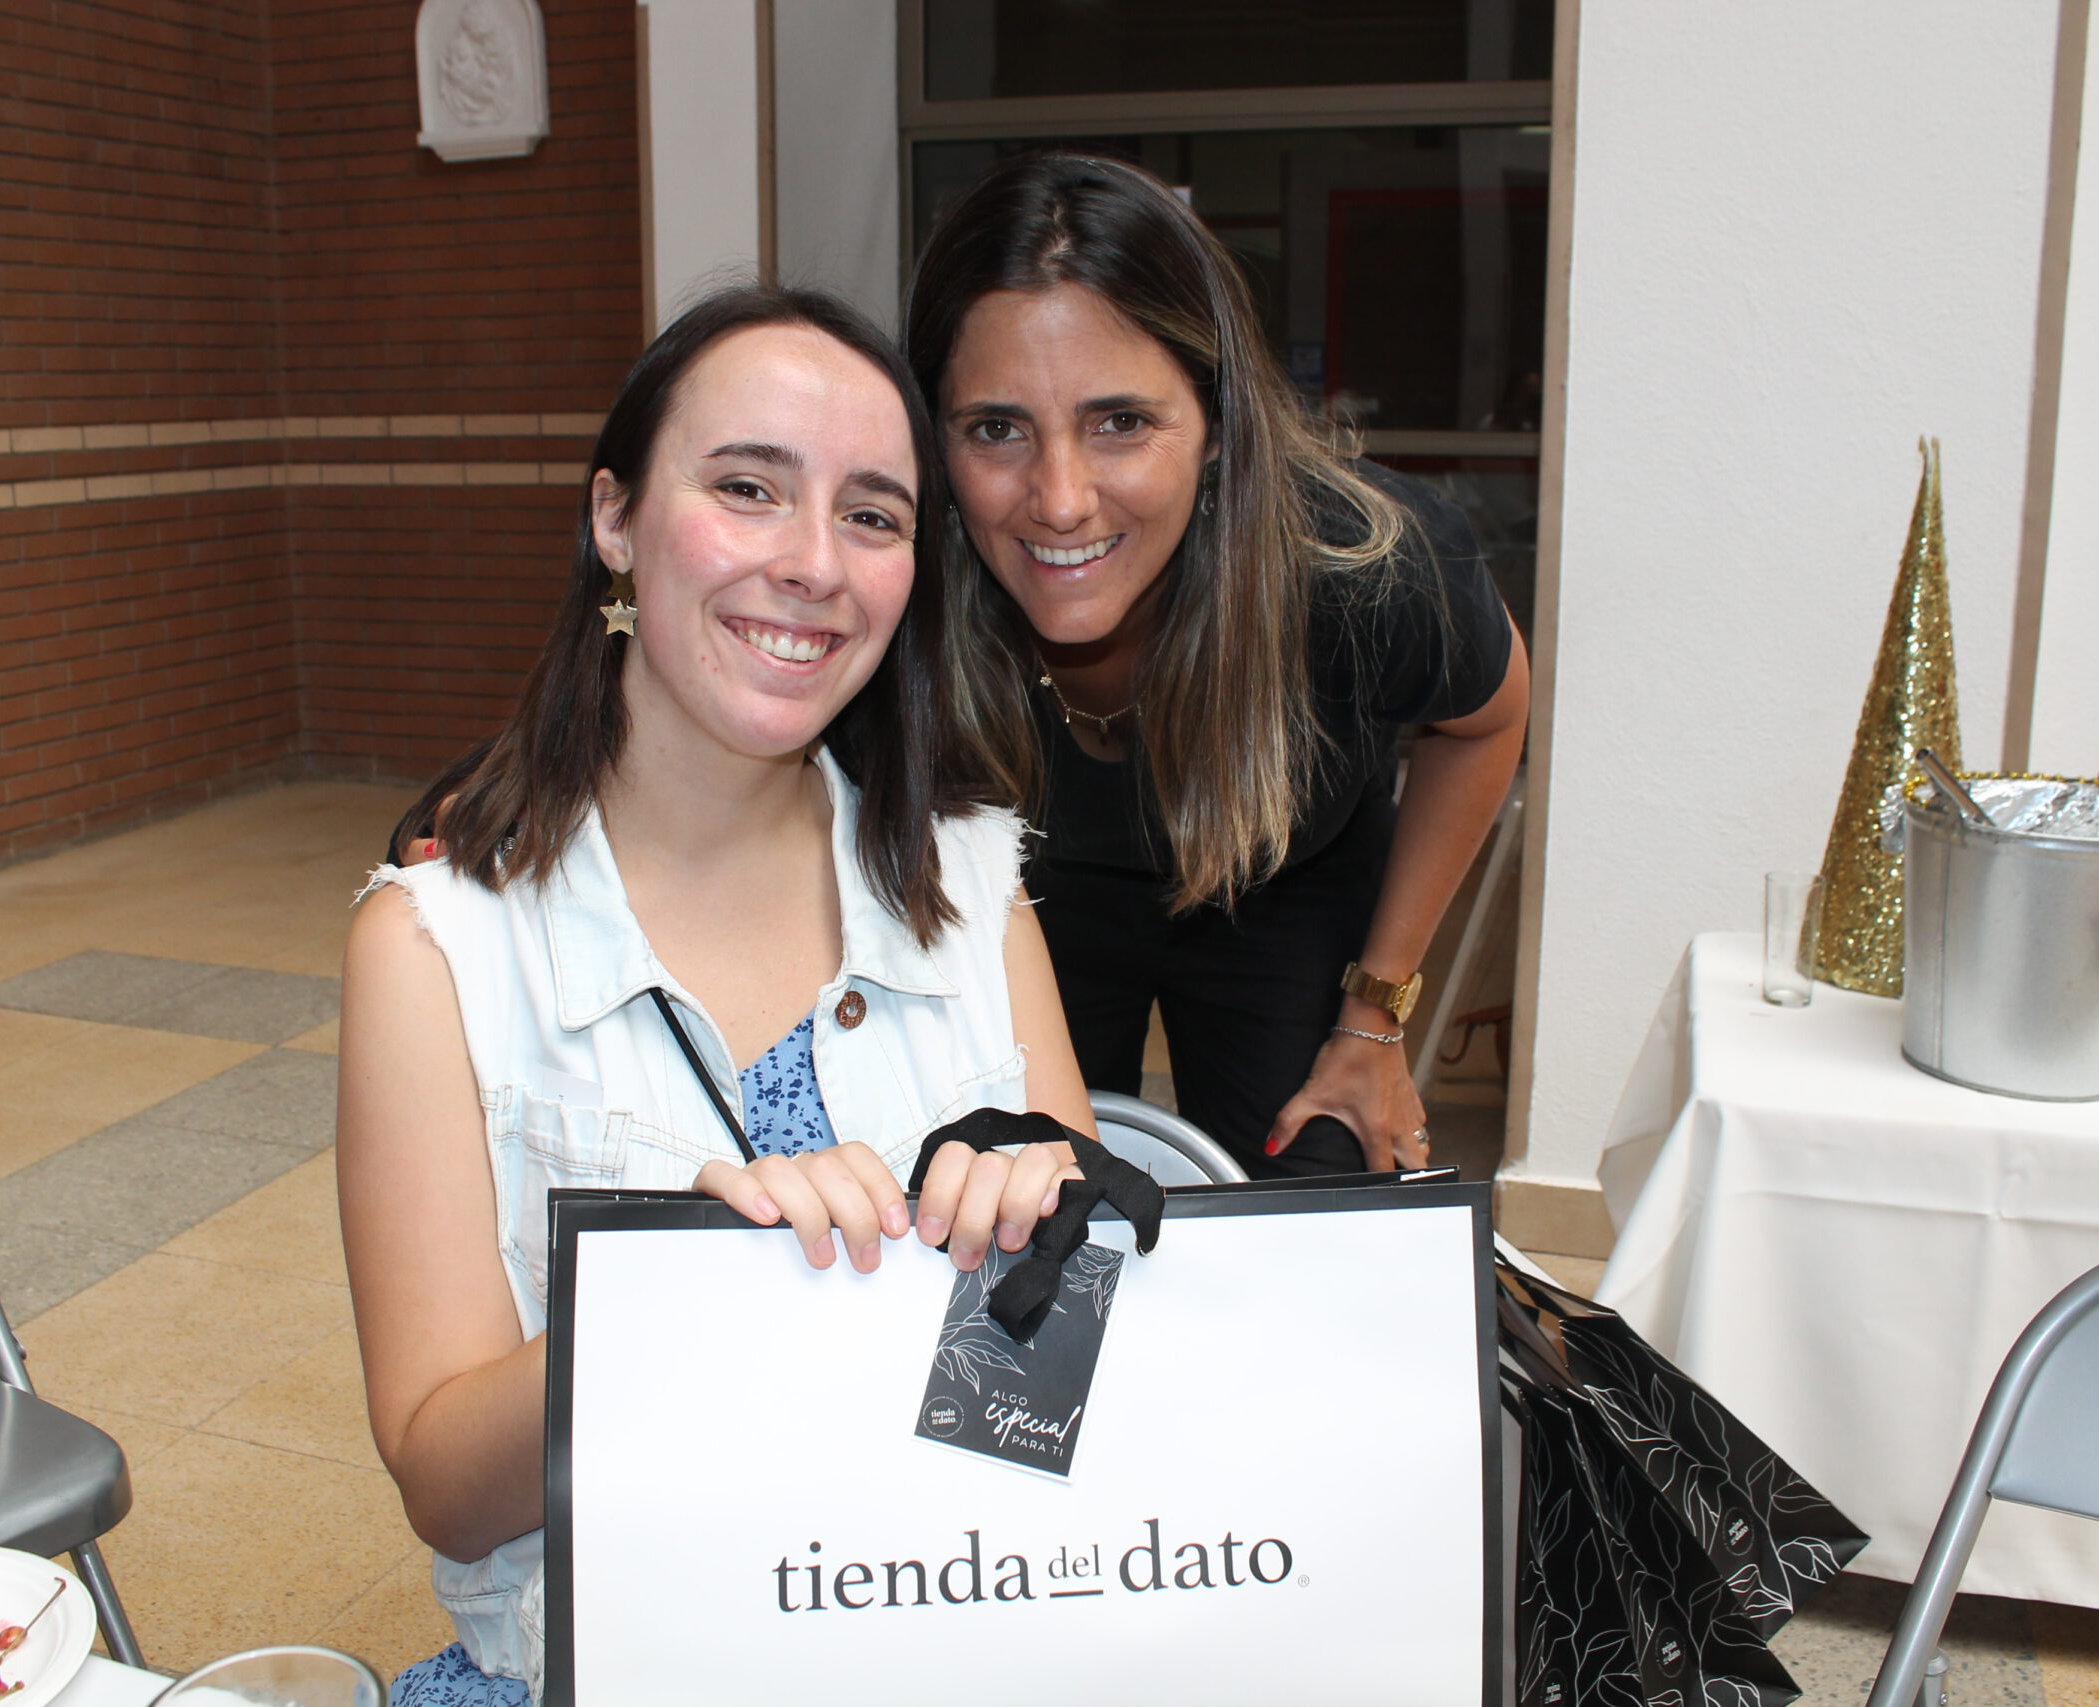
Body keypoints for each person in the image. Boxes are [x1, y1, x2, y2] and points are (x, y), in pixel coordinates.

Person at [339, 286, 1092, 1706]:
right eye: (748, 488)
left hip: (945, 1631)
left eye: (871, 515)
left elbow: (1062, 1383)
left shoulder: (974, 890)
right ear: (616, 520)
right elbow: (447, 1485)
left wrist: (1046, 1239)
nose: (812, 563)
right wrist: (679, 1289)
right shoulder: (434, 948)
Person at [905, 152, 1530, 1179]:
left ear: (1216, 425)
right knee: (1019, 1200)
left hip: (1284, 880)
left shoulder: (1365, 565)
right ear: (934, 439)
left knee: (1309, 1192)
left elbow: (1489, 720)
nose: (1059, 500)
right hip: (1030, 891)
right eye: (997, 429)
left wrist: (1374, 1018)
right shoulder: (899, 587)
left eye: (1121, 422)